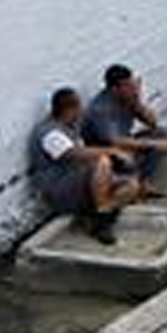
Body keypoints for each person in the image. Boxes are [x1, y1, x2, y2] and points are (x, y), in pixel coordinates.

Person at [32, 88, 144, 243]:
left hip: (81, 185)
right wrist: (113, 151)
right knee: (102, 161)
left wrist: (113, 177)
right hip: (60, 190)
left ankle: (98, 216)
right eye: (78, 109)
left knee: (131, 185)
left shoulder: (71, 128)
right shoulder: (50, 133)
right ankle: (102, 219)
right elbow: (74, 153)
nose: (80, 112)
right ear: (69, 110)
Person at [83, 64, 167, 196]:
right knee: (153, 145)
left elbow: (152, 122)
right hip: (106, 154)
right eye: (127, 86)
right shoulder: (100, 109)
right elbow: (115, 141)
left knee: (161, 134)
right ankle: (131, 185)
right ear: (114, 89)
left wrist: (137, 102)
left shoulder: (128, 98)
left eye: (132, 83)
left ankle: (142, 183)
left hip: (124, 145)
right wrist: (154, 144)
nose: (132, 88)